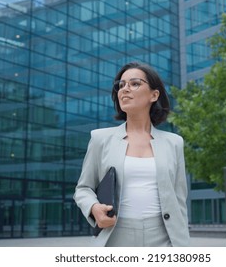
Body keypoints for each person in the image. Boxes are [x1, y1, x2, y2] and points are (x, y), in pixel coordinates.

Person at [73, 61, 190, 247]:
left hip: (164, 237)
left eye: (134, 84)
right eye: (121, 85)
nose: (125, 89)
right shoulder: (100, 139)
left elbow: (179, 200)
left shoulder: (174, 142)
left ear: (154, 94)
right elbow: (83, 188)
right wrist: (94, 208)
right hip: (115, 236)